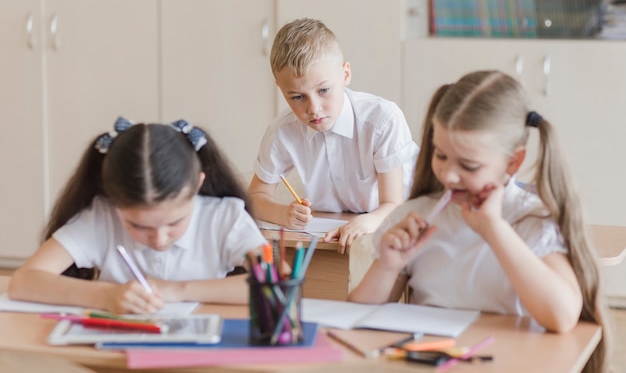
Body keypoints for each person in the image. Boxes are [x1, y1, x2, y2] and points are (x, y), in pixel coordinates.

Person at [348, 70, 609, 372]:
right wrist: (387, 265)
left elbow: (562, 316)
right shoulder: (416, 215)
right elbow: (357, 319)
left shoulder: (530, 219)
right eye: (440, 155)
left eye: (468, 165)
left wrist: (494, 229)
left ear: (513, 162)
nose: (448, 175)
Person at [8, 117, 268, 314]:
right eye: (138, 225)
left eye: (175, 222)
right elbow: (24, 281)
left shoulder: (224, 218)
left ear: (198, 185)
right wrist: (106, 296)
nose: (159, 239)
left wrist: (177, 291)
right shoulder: (102, 219)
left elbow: (274, 282)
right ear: (113, 199)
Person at [248, 18, 419, 253]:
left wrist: (368, 221)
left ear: (345, 74)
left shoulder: (383, 119)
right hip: (331, 231)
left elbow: (394, 203)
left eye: (323, 90)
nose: (313, 108)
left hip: (401, 217)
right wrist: (282, 213)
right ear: (280, 88)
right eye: (297, 97)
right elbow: (255, 197)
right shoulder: (282, 132)